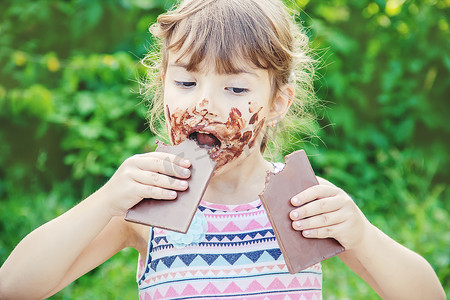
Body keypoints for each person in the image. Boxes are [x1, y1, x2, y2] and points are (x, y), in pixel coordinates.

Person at [0, 0, 445, 299]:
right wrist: (104, 203)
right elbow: (14, 287)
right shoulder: (148, 207)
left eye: (234, 86)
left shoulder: (301, 203)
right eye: (187, 82)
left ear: (277, 103)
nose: (204, 103)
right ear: (163, 88)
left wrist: (362, 234)